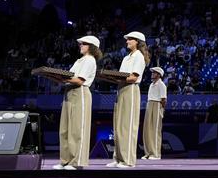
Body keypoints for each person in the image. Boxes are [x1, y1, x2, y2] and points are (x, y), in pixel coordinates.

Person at [53, 36, 101, 170]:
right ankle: (65, 160)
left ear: (91, 46)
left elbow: (79, 80)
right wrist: (56, 76)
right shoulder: (79, 60)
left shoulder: (90, 60)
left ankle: (76, 162)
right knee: (65, 129)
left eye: (84, 43)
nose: (80, 45)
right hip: (69, 92)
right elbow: (69, 77)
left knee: (77, 129)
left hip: (80, 92)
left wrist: (61, 78)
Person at [109, 31, 149, 168]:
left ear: (137, 41)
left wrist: (115, 77)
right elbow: (121, 76)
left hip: (131, 89)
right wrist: (110, 77)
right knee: (118, 126)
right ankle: (118, 158)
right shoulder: (126, 57)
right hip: (121, 89)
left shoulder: (139, 56)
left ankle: (128, 160)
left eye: (130, 39)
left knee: (128, 125)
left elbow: (133, 77)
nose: (127, 41)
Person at [142, 67, 167, 160]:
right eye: (152, 72)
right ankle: (148, 153)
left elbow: (164, 100)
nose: (152, 74)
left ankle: (156, 154)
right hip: (149, 104)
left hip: (157, 105)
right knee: (147, 130)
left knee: (155, 130)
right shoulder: (151, 85)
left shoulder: (162, 85)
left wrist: (161, 110)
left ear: (159, 75)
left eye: (154, 73)